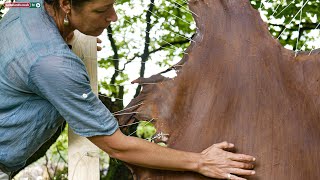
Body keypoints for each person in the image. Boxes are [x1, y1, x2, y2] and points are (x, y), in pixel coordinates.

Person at [0, 0, 256, 179]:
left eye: (112, 4)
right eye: (101, 9)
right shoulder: (53, 64)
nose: (113, 17)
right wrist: (201, 161)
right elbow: (117, 146)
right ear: (65, 4)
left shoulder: (29, 3)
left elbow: (12, 4)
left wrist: (64, 32)